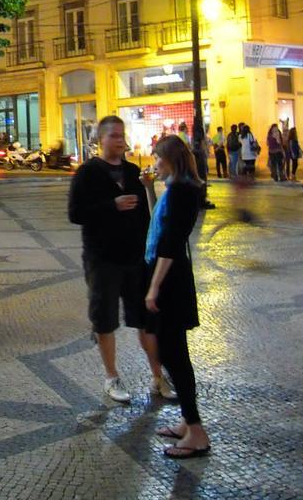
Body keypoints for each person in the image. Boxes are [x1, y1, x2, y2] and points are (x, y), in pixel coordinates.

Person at [67, 115, 174, 404]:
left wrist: (148, 189)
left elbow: (145, 215)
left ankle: (157, 377)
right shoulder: (87, 173)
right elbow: (75, 214)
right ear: (100, 140)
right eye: (113, 135)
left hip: (134, 258)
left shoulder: (132, 170)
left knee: (145, 319)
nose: (118, 140)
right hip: (102, 259)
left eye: (121, 135)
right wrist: (110, 206)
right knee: (105, 320)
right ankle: (111, 377)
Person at [141, 135, 210, 459]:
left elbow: (169, 243)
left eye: (157, 158)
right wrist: (148, 189)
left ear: (170, 159)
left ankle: (196, 432)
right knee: (173, 352)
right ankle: (187, 421)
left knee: (173, 354)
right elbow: (159, 223)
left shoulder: (183, 192)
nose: (154, 163)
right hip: (168, 275)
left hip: (171, 280)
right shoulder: (175, 190)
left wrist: (154, 287)